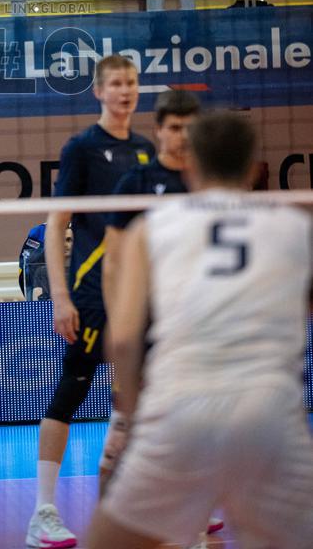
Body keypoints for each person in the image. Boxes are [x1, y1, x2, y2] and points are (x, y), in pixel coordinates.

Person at [86, 111, 313, 549]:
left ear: (189, 166)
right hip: (268, 416)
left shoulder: (150, 229)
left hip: (177, 411)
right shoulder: (297, 228)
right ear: (253, 169)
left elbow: (124, 340)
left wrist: (132, 420)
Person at [26, 55, 154, 549]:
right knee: (71, 392)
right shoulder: (81, 148)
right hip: (91, 294)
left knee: (139, 400)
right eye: (116, 84)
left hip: (138, 298)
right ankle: (42, 512)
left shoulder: (146, 151)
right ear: (99, 92)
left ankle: (140, 504)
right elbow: (58, 223)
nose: (125, 91)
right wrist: (60, 295)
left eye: (131, 83)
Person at [99, 90, 201, 491]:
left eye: (192, 129)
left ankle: (192, 521)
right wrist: (118, 323)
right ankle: (109, 516)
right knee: (123, 435)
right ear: (158, 130)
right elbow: (113, 261)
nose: (183, 137)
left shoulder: (207, 184)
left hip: (193, 325)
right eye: (175, 128)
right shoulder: (136, 183)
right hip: (145, 324)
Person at [31, 226, 73, 302]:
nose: (64, 244)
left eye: (68, 240)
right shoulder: (42, 272)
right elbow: (37, 305)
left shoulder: (83, 271)